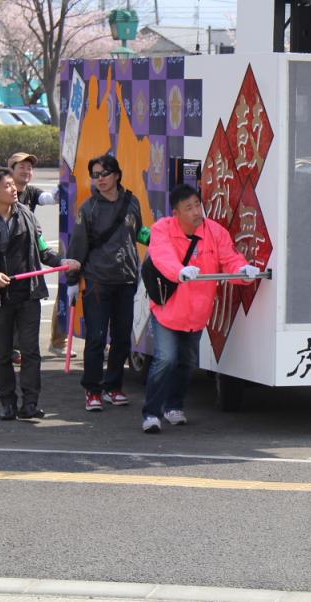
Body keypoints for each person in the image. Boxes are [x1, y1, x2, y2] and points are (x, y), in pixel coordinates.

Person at [141, 184, 260, 433]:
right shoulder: (162, 229)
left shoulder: (214, 231)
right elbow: (162, 257)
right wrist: (180, 271)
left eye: (197, 205)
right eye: (188, 208)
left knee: (187, 362)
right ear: (176, 213)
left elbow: (230, 258)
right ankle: (151, 413)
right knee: (165, 359)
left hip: (197, 313)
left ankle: (174, 407)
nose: (196, 211)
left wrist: (243, 271)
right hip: (167, 310)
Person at [0, 167, 80, 420]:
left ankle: (30, 403)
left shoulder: (26, 214)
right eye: (7, 186)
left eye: (12, 185)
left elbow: (42, 249)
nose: (13, 189)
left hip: (28, 294)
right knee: (3, 353)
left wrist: (62, 261)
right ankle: (7, 403)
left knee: (30, 352)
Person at [66, 155, 147, 412]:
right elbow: (78, 246)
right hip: (97, 281)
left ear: (117, 175)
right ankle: (92, 390)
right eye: (95, 175)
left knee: (122, 337)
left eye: (104, 173)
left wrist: (159, 238)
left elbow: (138, 232)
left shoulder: (132, 201)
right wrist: (72, 281)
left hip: (127, 279)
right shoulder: (88, 209)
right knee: (97, 337)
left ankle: (114, 386)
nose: (99, 179)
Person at [6, 152, 69, 360]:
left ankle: (16, 349)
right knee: (2, 312)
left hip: (25, 255)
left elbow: (48, 198)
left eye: (29, 168)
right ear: (10, 170)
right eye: (21, 167)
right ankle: (1, 347)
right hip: (4, 261)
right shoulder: (0, 194)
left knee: (24, 307)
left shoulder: (30, 192)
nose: (26, 171)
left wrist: (64, 184)